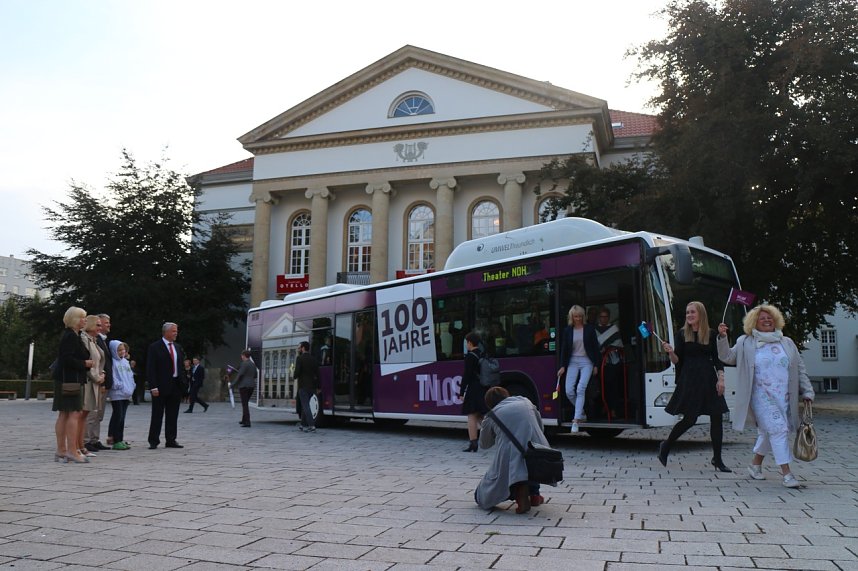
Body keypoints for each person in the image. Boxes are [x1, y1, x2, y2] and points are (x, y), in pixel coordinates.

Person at [717, 305, 815, 488]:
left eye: (770, 317)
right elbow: (727, 357)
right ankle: (787, 474)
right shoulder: (745, 341)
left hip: (784, 397)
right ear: (754, 322)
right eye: (762, 318)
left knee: (767, 432)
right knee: (778, 429)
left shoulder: (787, 342)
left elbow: (800, 369)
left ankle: (755, 466)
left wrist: (807, 391)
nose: (767, 320)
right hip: (760, 396)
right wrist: (722, 338)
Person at [658, 301, 730, 472]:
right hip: (689, 380)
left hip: (708, 379)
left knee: (717, 417)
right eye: (687, 312)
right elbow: (677, 361)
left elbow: (717, 358)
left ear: (701, 314)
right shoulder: (682, 334)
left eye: (692, 312)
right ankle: (666, 445)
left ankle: (718, 459)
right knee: (690, 419)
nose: (689, 315)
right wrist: (670, 352)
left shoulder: (711, 334)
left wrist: (721, 379)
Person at [475, 386, 549, 514]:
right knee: (528, 457)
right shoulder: (526, 402)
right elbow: (540, 426)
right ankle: (535, 494)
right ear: (507, 395)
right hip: (540, 452)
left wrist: (485, 425)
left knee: (480, 496)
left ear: (490, 404)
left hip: (513, 459)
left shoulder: (492, 415)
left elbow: (484, 444)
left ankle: (520, 494)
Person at [53, 306, 94, 463]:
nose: (85, 320)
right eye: (82, 317)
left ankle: (62, 450)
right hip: (71, 380)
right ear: (75, 319)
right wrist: (85, 363)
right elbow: (66, 359)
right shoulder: (71, 336)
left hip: (67, 379)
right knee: (74, 413)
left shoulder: (72, 335)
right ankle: (71, 450)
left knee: (64, 414)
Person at [557, 305, 600, 432]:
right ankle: (581, 412)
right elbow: (564, 349)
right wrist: (562, 366)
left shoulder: (589, 329)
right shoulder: (568, 331)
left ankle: (576, 420)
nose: (578, 319)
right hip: (572, 362)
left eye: (580, 316)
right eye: (576, 316)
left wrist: (596, 365)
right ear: (572, 317)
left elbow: (595, 348)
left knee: (581, 388)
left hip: (587, 361)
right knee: (569, 390)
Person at [146, 322, 185, 449]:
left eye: (176, 331)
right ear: (166, 332)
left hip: (175, 385)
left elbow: (181, 366)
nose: (176, 333)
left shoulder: (178, 347)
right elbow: (151, 368)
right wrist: (153, 386)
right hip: (160, 386)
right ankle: (153, 440)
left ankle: (171, 439)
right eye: (173, 331)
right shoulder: (155, 347)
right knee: (157, 414)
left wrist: (183, 384)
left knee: (173, 415)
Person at [79, 315, 106, 458]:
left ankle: (82, 446)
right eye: (98, 325)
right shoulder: (84, 339)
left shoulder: (94, 340)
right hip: (89, 381)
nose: (100, 328)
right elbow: (87, 362)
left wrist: (102, 373)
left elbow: (99, 361)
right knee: (83, 414)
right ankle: (80, 444)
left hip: (96, 381)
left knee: (88, 414)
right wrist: (97, 377)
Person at [458, 332, 489, 452]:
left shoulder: (470, 356)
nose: (466, 345)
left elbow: (467, 375)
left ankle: (473, 443)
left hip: (473, 388)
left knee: (471, 415)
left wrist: (461, 392)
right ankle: (497, 433)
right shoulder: (482, 354)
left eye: (466, 342)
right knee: (480, 415)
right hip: (483, 387)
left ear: (470, 343)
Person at [595, 307, 625, 420]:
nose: (604, 319)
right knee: (602, 387)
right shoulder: (594, 330)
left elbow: (618, 343)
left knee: (614, 387)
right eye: (602, 316)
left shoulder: (614, 329)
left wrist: (607, 348)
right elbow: (594, 345)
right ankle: (604, 407)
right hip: (599, 363)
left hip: (613, 362)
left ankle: (613, 410)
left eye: (606, 316)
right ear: (599, 317)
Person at [106, 341, 134, 450]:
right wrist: (121, 386)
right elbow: (114, 378)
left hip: (126, 394)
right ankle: (116, 440)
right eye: (119, 350)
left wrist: (132, 387)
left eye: (123, 349)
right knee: (118, 416)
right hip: (117, 394)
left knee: (122, 417)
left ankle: (120, 439)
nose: (122, 352)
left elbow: (130, 376)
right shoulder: (113, 363)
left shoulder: (125, 362)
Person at [293, 341, 320, 432]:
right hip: (312, 386)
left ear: (303, 348)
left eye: (299, 347)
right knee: (306, 405)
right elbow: (318, 374)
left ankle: (312, 425)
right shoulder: (314, 359)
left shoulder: (299, 358)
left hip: (303, 386)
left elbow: (297, 372)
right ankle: (302, 424)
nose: (298, 349)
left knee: (305, 406)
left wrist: (294, 375)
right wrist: (318, 387)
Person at [231, 350, 258, 427]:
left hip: (244, 386)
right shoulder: (253, 364)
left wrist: (232, 384)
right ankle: (244, 420)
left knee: (245, 404)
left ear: (243, 355)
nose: (241, 357)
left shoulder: (244, 364)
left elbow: (239, 375)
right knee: (245, 403)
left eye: (241, 355)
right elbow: (255, 375)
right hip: (251, 386)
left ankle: (247, 422)